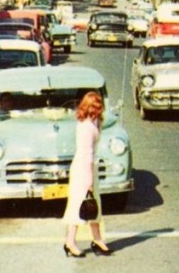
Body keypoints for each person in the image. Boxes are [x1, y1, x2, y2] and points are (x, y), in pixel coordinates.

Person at [62, 90, 112, 258]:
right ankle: (70, 242)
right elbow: (87, 155)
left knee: (93, 204)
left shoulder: (90, 123)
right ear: (93, 108)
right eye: (98, 107)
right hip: (84, 169)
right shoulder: (87, 128)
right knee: (78, 206)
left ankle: (97, 239)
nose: (101, 110)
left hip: (87, 168)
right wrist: (89, 180)